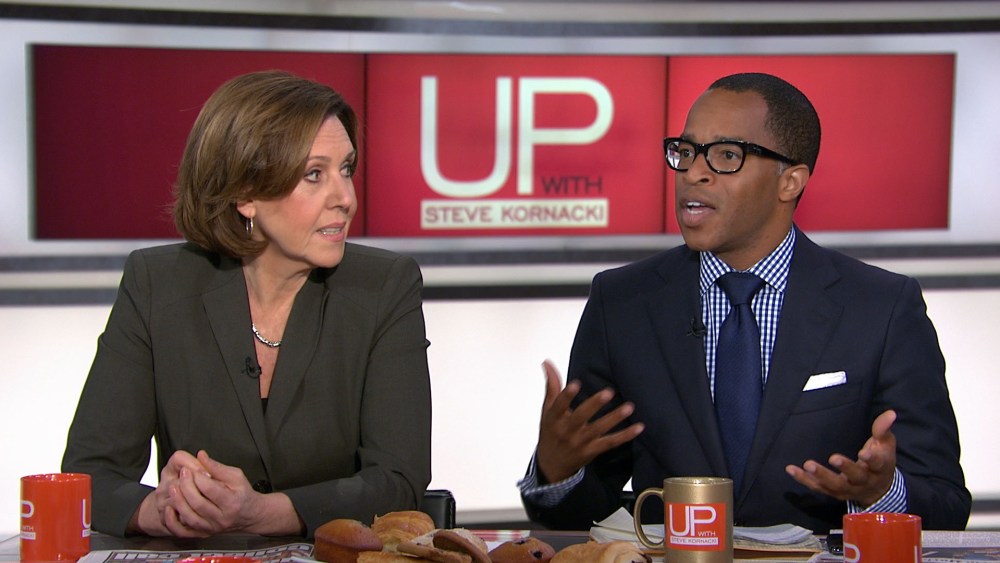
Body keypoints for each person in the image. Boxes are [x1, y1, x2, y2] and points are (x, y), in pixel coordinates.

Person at [519, 72, 970, 533]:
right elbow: (580, 518)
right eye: (686, 151)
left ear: (789, 181)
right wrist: (557, 472)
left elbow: (947, 506)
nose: (693, 172)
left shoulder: (882, 308)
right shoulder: (622, 303)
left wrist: (880, 494)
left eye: (726, 155)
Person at [62, 70, 431, 538]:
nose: (345, 198)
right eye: (313, 175)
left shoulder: (384, 286)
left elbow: (398, 481)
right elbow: (88, 477)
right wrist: (157, 509)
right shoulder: (157, 285)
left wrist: (263, 512)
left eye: (346, 169)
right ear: (244, 194)